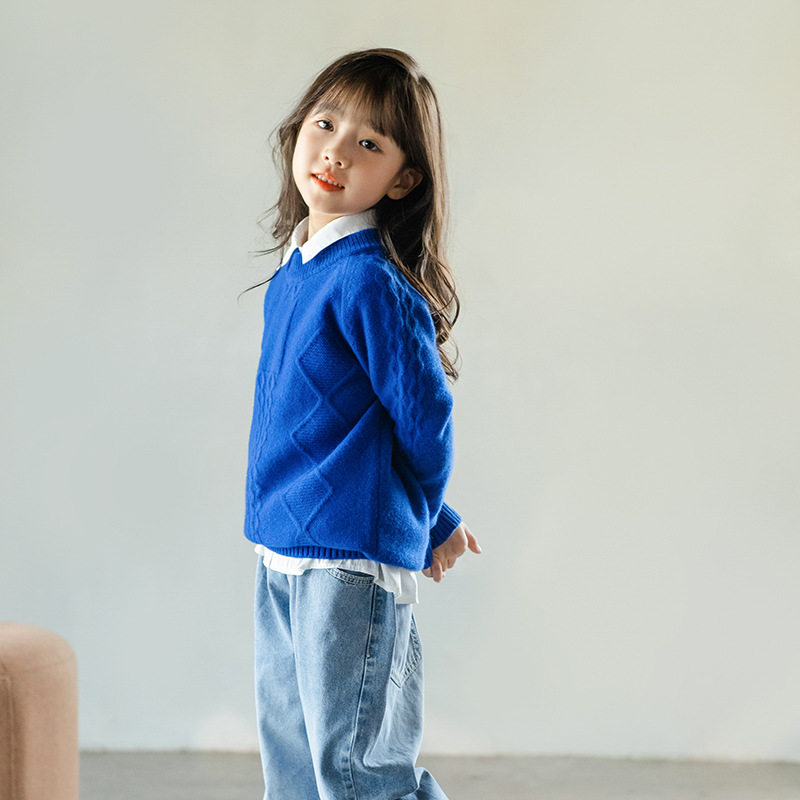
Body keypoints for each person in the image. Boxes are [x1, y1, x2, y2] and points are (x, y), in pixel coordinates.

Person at [245, 48, 481, 800]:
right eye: (325, 124)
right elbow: (349, 425)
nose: (337, 151)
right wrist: (435, 514)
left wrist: (427, 517)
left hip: (347, 560)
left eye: (369, 143)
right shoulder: (297, 271)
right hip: (281, 545)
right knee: (293, 767)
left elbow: (424, 423)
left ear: (403, 179)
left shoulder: (370, 281)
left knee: (356, 773)